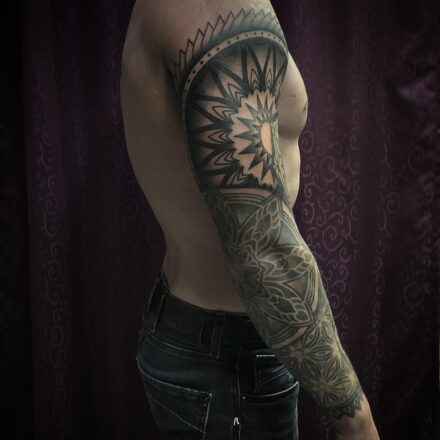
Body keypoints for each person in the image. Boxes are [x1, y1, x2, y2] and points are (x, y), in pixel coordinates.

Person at [120, 1, 380, 439]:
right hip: (230, 363)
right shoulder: (216, 9)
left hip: (204, 336)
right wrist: (357, 421)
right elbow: (265, 251)